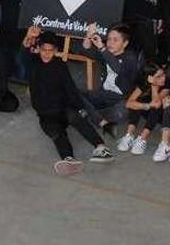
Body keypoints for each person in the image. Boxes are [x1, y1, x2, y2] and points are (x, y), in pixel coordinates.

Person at [23, 26, 114, 175]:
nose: (47, 53)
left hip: (63, 109)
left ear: (56, 50)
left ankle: (101, 147)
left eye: (50, 50)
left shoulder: (60, 65)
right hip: (45, 114)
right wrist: (28, 36)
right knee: (56, 133)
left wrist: (80, 108)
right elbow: (23, 53)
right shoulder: (32, 63)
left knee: (76, 117)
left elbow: (70, 88)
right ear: (38, 48)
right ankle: (69, 159)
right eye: (44, 49)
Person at [79, 22, 141, 137]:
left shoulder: (130, 57)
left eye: (115, 40)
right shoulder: (106, 53)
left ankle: (88, 112)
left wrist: (102, 48)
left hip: (120, 99)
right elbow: (85, 50)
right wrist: (89, 34)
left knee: (121, 113)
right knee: (74, 93)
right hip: (103, 94)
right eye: (109, 39)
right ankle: (102, 122)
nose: (110, 43)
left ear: (125, 43)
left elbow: (119, 69)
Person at [116, 62, 168, 155]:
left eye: (163, 74)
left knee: (157, 106)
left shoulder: (167, 83)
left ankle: (143, 137)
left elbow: (156, 103)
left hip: (161, 115)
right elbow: (129, 103)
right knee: (137, 101)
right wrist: (146, 106)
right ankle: (129, 135)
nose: (163, 78)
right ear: (149, 77)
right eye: (159, 76)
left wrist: (154, 86)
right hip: (147, 110)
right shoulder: (144, 83)